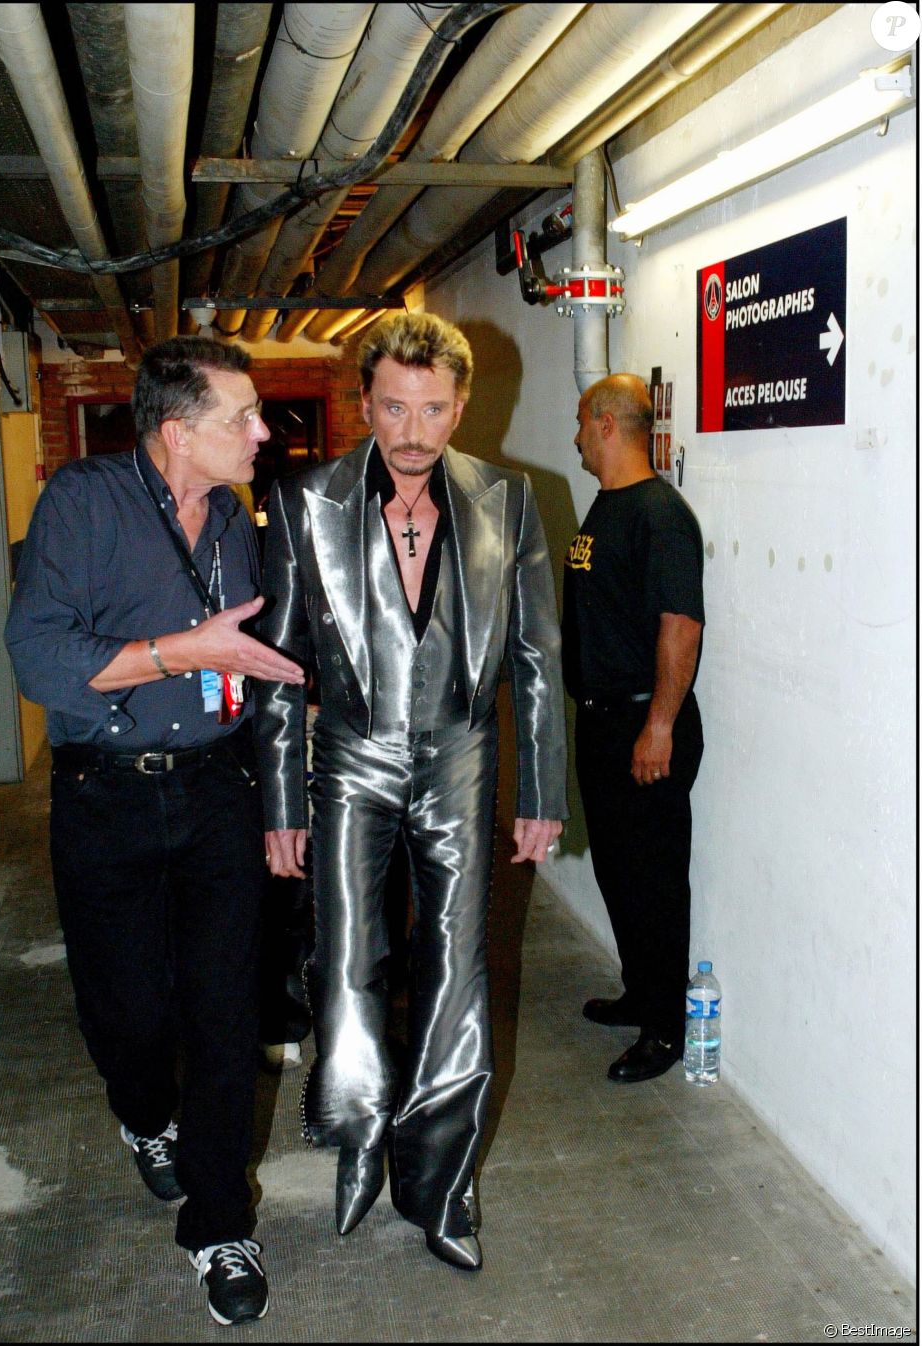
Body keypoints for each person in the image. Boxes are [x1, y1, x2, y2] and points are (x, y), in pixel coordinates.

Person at [255, 311, 567, 1271]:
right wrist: (281, 802)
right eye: (394, 406)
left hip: (462, 756)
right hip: (349, 756)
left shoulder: (509, 501)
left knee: (457, 977)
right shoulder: (306, 501)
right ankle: (358, 1141)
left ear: (461, 406)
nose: (414, 430)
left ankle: (442, 1183)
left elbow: (538, 658)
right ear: (364, 403)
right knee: (345, 963)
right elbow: (276, 666)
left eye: (433, 408)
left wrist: (542, 789)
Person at [4, 336, 304, 1326]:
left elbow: (249, 670)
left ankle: (219, 1224)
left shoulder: (230, 518)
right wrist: (185, 649)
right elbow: (39, 658)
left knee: (224, 1018)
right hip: (107, 799)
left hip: (216, 792)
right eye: (240, 418)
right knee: (129, 1016)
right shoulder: (82, 506)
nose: (262, 432)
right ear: (177, 432)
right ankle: (142, 1115)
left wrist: (277, 803)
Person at [562, 374, 705, 1084]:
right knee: (618, 871)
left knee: (654, 879)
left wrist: (659, 725)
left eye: (583, 423)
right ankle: (640, 994)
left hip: (645, 725)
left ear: (607, 423)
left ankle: (666, 1030)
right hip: (603, 722)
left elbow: (680, 624)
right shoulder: (607, 506)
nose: (577, 436)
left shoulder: (659, 513)